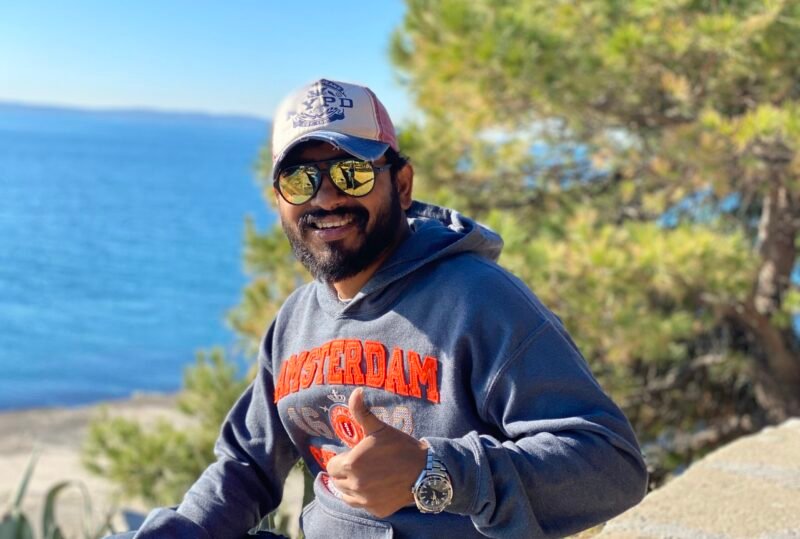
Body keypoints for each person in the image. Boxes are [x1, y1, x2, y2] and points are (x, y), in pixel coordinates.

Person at [115, 78, 648, 539]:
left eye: (352, 172)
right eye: (300, 180)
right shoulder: (296, 320)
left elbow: (612, 465)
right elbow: (246, 465)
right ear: (279, 199)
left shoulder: (480, 300)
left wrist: (435, 472)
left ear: (402, 183)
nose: (325, 198)